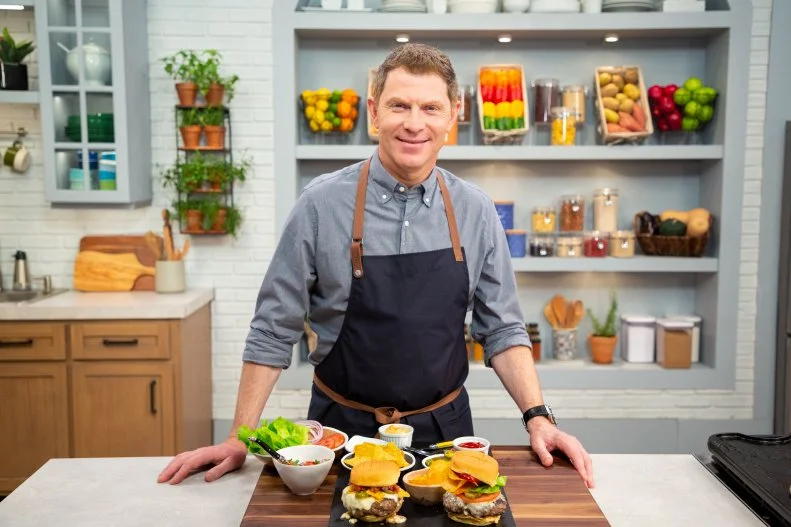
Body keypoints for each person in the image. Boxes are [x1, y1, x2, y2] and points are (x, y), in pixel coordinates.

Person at [158, 43, 594, 489]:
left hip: (444, 440)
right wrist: (237, 437)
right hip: (338, 437)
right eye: (398, 105)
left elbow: (502, 328)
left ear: (452, 116)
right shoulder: (320, 205)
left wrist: (539, 419)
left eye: (430, 107)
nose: (414, 122)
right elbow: (273, 327)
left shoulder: (476, 212)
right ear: (374, 111)